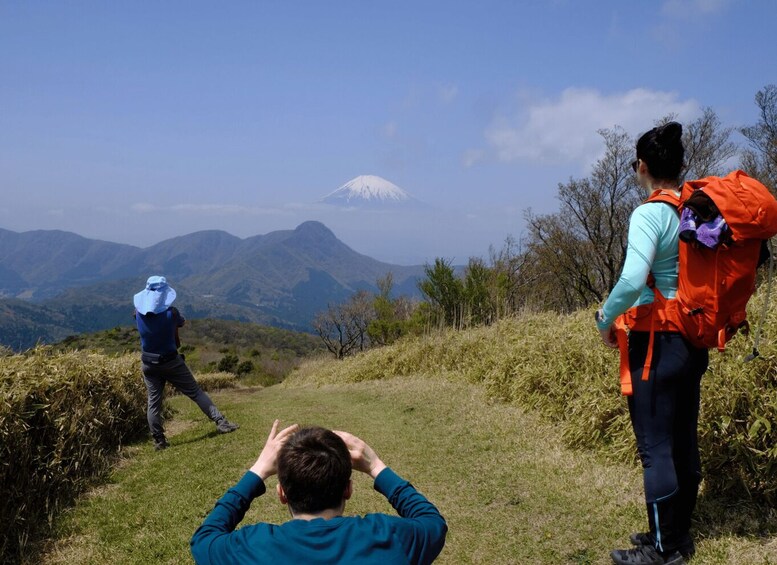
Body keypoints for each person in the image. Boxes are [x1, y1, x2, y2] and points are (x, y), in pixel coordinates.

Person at [595, 122, 708, 565]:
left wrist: (606, 318)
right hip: (692, 337)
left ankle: (663, 552)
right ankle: (676, 536)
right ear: (682, 166)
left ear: (641, 167)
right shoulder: (695, 208)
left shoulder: (649, 213)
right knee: (683, 441)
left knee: (655, 447)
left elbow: (629, 279)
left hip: (656, 340)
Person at [190, 420, 447, 564]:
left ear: (281, 494)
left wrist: (257, 471)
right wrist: (376, 466)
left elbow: (204, 539)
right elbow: (432, 522)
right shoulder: (390, 537)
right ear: (348, 489)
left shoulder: (251, 548)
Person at [133, 275, 238, 450]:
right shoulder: (171, 314)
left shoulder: (138, 313)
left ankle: (159, 441)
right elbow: (182, 322)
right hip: (171, 361)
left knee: (153, 402)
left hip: (149, 363)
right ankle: (221, 422)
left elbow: (143, 314)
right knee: (195, 392)